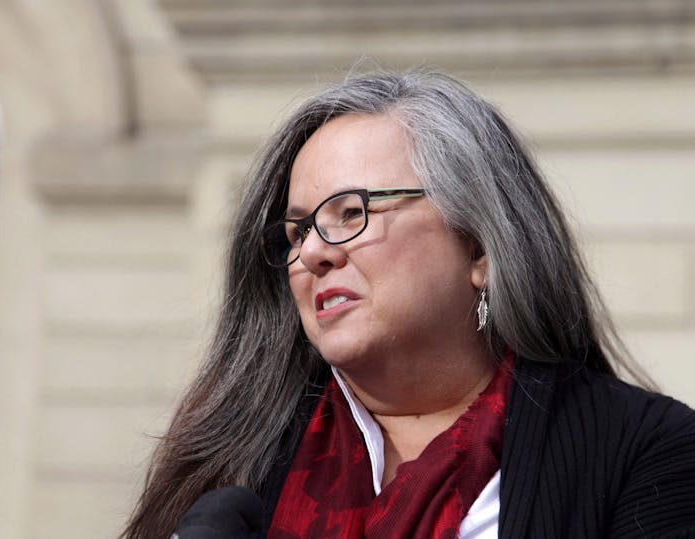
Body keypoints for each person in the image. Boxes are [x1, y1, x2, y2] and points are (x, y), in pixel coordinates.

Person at [123, 70, 695, 538]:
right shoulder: (229, 468)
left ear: (479, 246)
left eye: (352, 213)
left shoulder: (643, 451)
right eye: (297, 233)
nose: (314, 253)